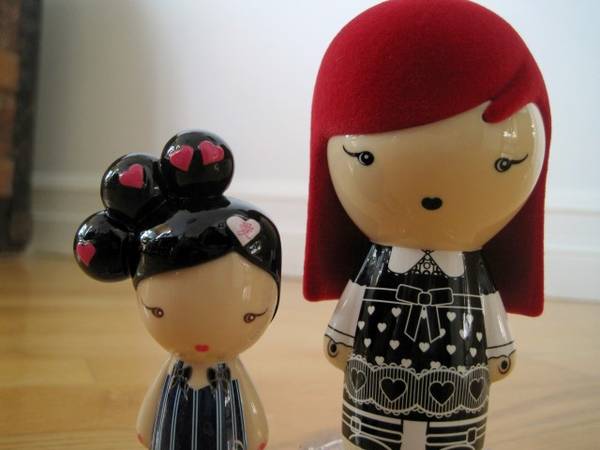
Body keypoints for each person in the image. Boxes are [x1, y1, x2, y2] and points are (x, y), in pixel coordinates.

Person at [303, 1, 551, 449]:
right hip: (376, 380)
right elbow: (354, 304)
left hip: (456, 388)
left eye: (503, 164)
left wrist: (498, 349)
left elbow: (489, 311)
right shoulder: (381, 264)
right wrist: (340, 335)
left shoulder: (470, 272)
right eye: (366, 158)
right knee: (373, 431)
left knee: (450, 434)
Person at [74, 130, 281, 450]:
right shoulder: (177, 372)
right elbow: (147, 423)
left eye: (249, 315)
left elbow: (252, 421)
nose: (203, 335)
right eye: (158, 311)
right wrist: (147, 431)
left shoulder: (229, 375)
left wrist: (254, 437)